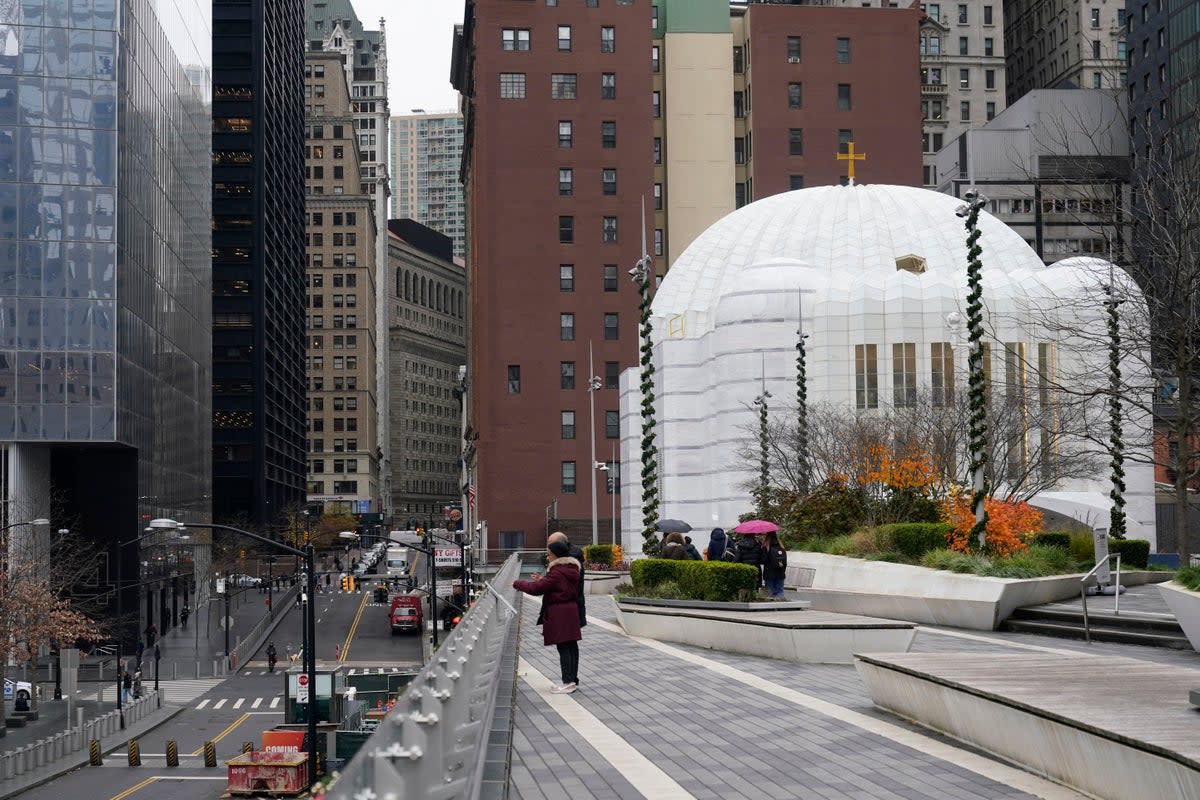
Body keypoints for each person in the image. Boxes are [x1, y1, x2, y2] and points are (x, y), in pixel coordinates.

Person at [513, 538, 583, 694]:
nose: (547, 557)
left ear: (557, 556)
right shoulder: (571, 569)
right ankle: (573, 681)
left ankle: (567, 682)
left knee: (564, 647)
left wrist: (517, 583)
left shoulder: (557, 572)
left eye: (549, 554)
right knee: (571, 646)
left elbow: (536, 589)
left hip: (560, 612)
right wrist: (544, 580)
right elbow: (557, 586)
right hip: (570, 610)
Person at [545, 531, 586, 631]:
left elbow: (557, 583)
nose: (549, 548)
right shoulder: (570, 559)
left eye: (551, 544)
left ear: (560, 545)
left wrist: (519, 584)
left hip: (566, 611)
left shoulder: (567, 562)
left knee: (566, 643)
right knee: (569, 642)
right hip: (571, 608)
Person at [762, 531, 788, 600]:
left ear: (767, 537)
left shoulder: (766, 547)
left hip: (769, 574)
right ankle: (780, 607)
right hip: (780, 573)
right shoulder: (781, 547)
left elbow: (763, 561)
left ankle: (770, 608)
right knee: (780, 592)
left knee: (769, 594)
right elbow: (785, 562)